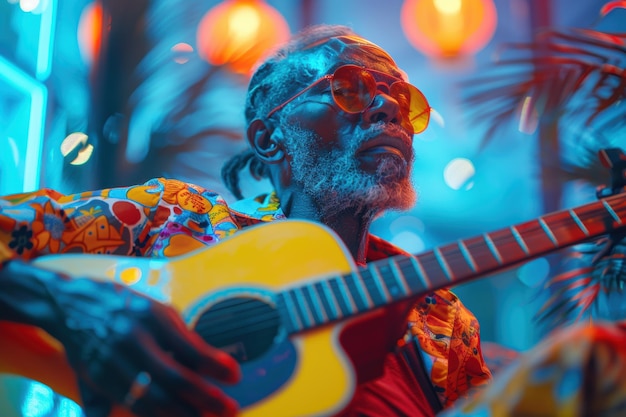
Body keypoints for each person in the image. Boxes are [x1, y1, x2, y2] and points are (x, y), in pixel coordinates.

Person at [0, 24, 491, 417]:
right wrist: (61, 302)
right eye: (348, 88)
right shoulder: (172, 216)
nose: (389, 108)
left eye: (402, 101)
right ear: (269, 138)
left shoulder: (440, 314)